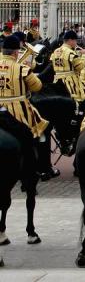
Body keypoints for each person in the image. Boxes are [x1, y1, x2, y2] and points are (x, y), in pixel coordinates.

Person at [0, 34, 56, 180]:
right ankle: (39, 170)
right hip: (17, 109)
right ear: (15, 52)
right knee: (40, 131)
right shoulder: (21, 68)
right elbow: (37, 86)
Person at [49, 29, 85, 101]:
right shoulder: (70, 52)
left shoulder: (56, 51)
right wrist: (84, 56)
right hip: (70, 83)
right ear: (70, 40)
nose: (76, 43)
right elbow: (80, 67)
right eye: (75, 41)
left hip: (57, 82)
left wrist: (78, 54)